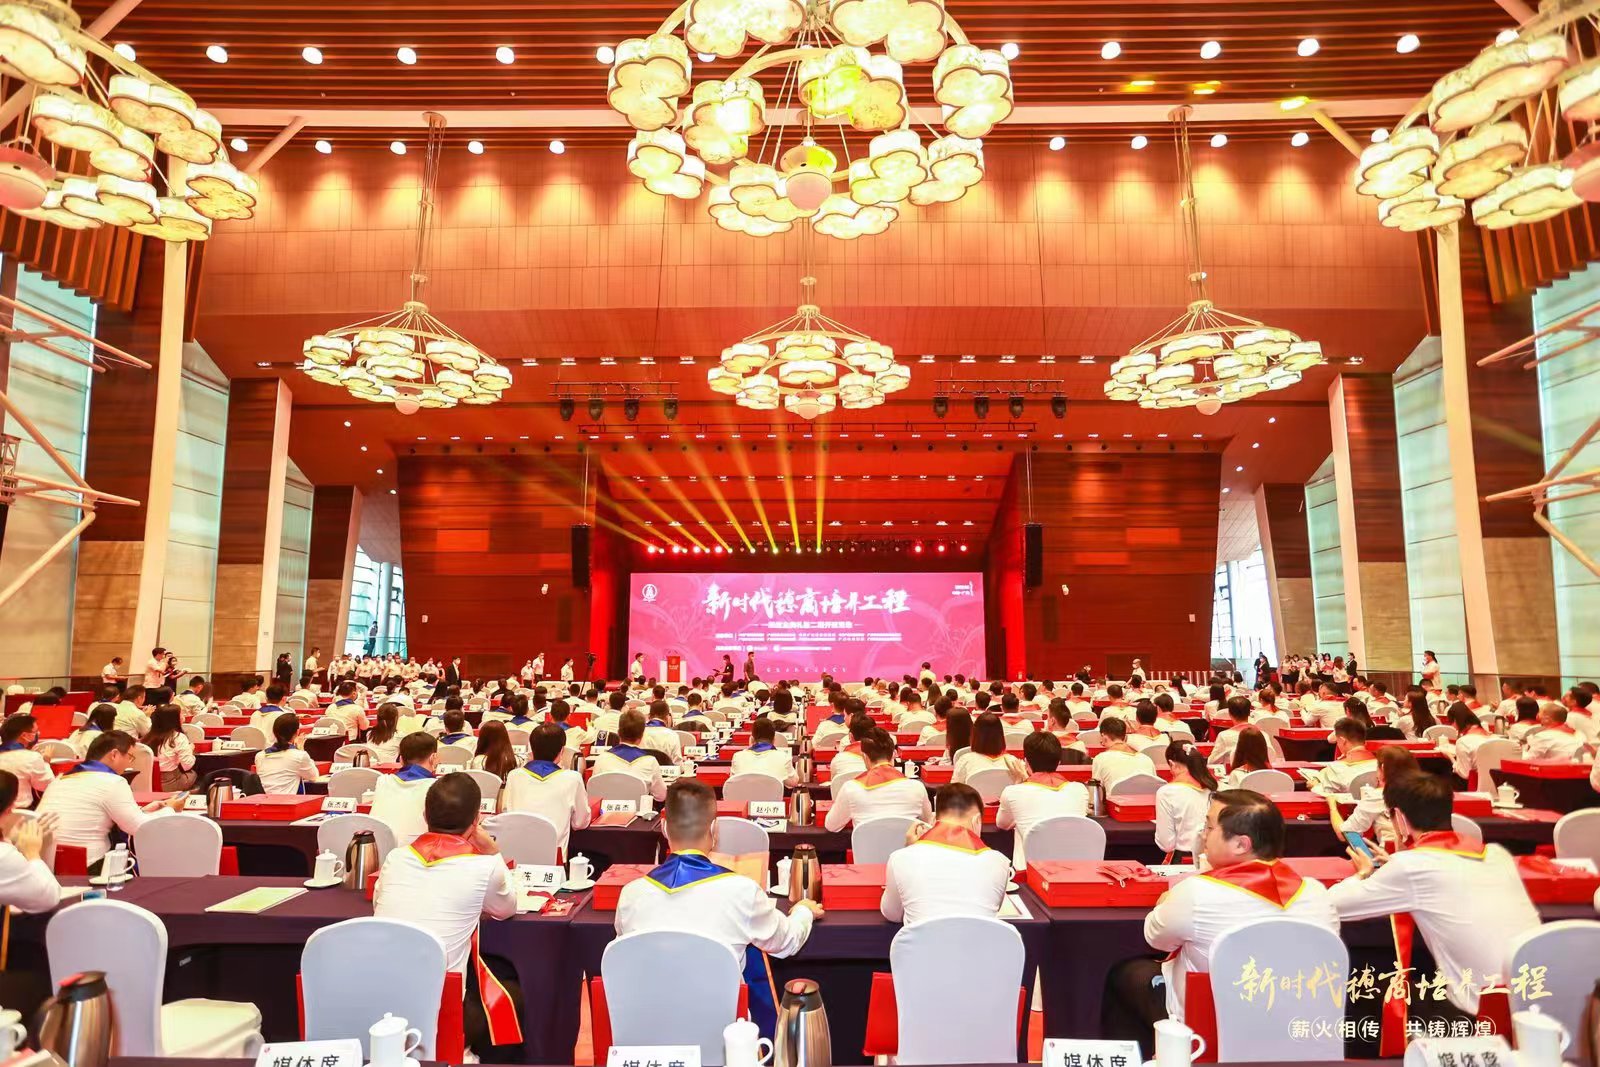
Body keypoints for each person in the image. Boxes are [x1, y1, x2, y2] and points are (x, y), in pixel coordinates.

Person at [1106, 790, 1340, 1041]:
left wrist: (1166, 900)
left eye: (1209, 827)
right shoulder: (1316, 892)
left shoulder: (1197, 893)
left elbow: (1156, 938)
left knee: (1126, 975)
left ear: (1241, 844)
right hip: (1298, 1025)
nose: (1202, 835)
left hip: (1209, 1024)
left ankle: (1161, 1053)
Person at [1329, 772, 1539, 1026]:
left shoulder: (1411, 866)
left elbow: (1331, 905)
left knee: (1367, 985)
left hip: (1479, 1014)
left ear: (1399, 818)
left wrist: (1363, 872)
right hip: (1536, 1000)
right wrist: (1397, 863)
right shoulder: (1497, 854)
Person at [615, 779, 820, 1037]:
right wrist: (803, 911)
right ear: (714, 828)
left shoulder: (630, 894)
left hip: (646, 1032)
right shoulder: (741, 890)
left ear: (664, 828)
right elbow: (785, 942)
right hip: (724, 1036)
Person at [373, 773, 523, 1057]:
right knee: (512, 994)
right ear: (476, 820)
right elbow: (506, 909)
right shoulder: (483, 867)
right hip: (443, 1009)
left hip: (381, 998)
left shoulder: (395, 858)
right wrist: (493, 852)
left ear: (424, 816)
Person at [36, 731, 185, 865]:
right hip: (86, 866)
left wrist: (143, 811)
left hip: (44, 863)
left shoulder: (59, 779)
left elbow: (90, 812)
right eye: (130, 757)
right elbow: (139, 827)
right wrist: (170, 809)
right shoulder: (112, 781)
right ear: (114, 755)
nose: (129, 763)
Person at [882, 783, 1009, 926]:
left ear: (933, 819)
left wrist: (911, 849)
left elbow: (892, 914)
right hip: (980, 940)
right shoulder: (1000, 862)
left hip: (923, 941)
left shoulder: (901, 858)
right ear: (977, 820)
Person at [996, 732, 1089, 870]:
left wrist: (1020, 781)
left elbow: (1003, 824)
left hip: (1029, 874)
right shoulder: (1080, 790)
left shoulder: (1012, 792)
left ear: (1026, 763)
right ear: (1059, 762)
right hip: (1073, 870)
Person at [503, 723, 591, 853]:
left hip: (517, 854)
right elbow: (580, 823)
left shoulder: (514, 776)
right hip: (554, 858)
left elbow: (506, 813)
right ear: (562, 751)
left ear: (531, 749)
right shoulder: (573, 778)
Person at [824, 728, 931, 831]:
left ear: (864, 756)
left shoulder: (851, 788)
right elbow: (927, 822)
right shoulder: (917, 788)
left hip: (865, 844)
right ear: (893, 754)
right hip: (907, 844)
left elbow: (831, 825)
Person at [1327, 746, 1418, 851]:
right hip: (1427, 853)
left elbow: (1344, 833)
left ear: (1382, 768)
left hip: (1392, 856)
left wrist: (1332, 807)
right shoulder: (1426, 791)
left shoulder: (1379, 796)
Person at [370, 732, 441, 845]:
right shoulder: (436, 787)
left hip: (379, 849)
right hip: (417, 852)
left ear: (401, 759)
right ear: (433, 758)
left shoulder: (382, 781)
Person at [1154, 740, 1216, 861]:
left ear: (1172, 764)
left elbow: (1166, 844)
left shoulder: (1166, 792)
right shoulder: (1216, 787)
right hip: (1215, 857)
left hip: (1184, 860)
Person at [590, 710, 667, 802]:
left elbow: (593, 792)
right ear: (642, 735)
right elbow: (661, 796)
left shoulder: (602, 758)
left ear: (618, 733)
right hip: (638, 811)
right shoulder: (650, 761)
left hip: (606, 810)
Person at [953, 711, 1026, 785]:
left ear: (975, 735)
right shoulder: (1014, 763)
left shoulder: (965, 761)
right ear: (1000, 735)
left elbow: (955, 789)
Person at [255, 712, 319, 794]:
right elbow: (313, 776)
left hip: (264, 800)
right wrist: (301, 750)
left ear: (274, 732)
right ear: (297, 732)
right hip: (288, 800)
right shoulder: (299, 755)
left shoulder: (259, 756)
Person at [0, 715, 54, 808]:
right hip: (20, 811)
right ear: (24, 735)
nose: (38, 733)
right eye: (35, 731)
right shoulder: (31, 757)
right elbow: (46, 785)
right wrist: (45, 762)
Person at [142, 706, 197, 792]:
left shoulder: (147, 737)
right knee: (193, 774)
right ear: (174, 719)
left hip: (147, 783)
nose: (183, 717)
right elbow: (187, 765)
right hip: (170, 782)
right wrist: (190, 750)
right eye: (181, 714)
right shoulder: (178, 737)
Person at [731, 718, 799, 787]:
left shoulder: (738, 757)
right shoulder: (783, 757)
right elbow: (794, 782)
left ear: (752, 739)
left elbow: (732, 784)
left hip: (744, 794)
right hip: (773, 794)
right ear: (774, 740)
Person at [1316, 718, 1378, 794]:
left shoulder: (1335, 768)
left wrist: (1316, 786)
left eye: (1338, 741)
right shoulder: (1381, 764)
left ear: (1343, 741)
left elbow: (1327, 794)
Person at [1091, 718, 1156, 790]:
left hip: (1113, 796)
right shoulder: (1147, 759)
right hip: (1145, 796)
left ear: (1103, 736)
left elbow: (1096, 791)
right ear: (1125, 737)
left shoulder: (1100, 759)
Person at [1440, 703, 1493, 783]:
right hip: (1495, 781)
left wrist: (1450, 757)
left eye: (1451, 722)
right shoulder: (1493, 736)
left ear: (1455, 720)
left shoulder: (1463, 742)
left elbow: (1465, 774)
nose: (1453, 726)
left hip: (1474, 784)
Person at [1523, 704, 1588, 761]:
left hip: (1557, 769)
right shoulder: (1580, 733)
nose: (1537, 715)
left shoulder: (1543, 736)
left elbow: (1528, 760)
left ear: (1547, 719)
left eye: (1539, 712)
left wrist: (1524, 748)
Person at [1208, 696, 1254, 768]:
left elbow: (1212, 762)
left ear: (1230, 714)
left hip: (1232, 772)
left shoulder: (1224, 736)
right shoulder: (1264, 734)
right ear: (1249, 713)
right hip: (1260, 773)